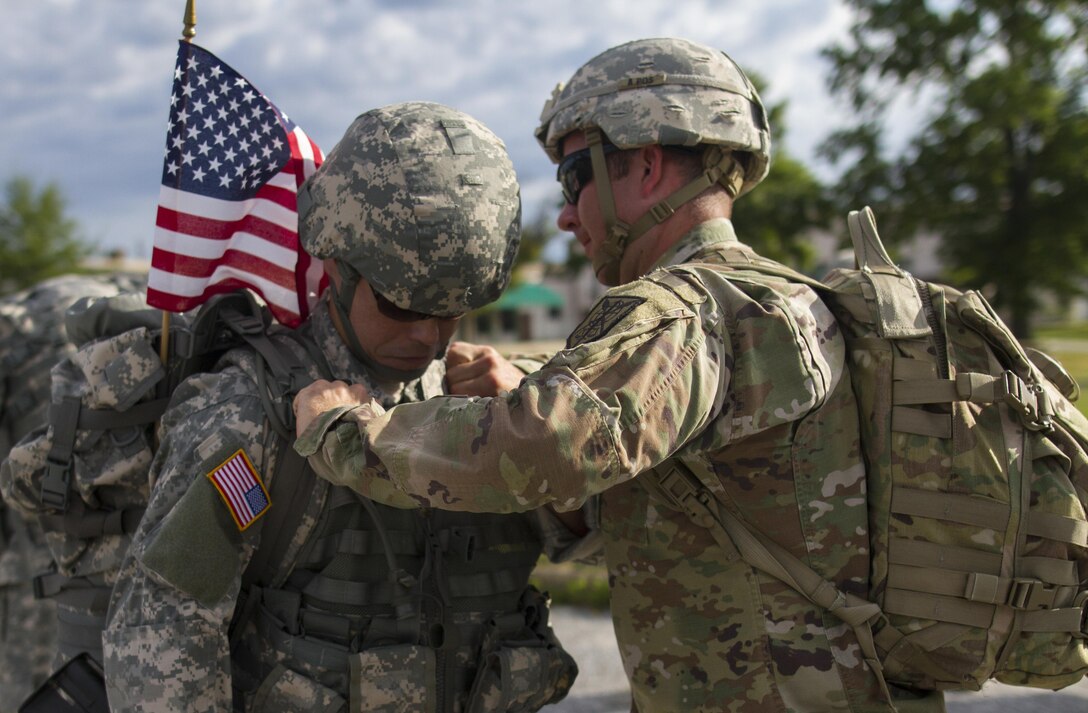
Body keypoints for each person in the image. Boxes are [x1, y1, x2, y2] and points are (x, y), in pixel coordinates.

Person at [292, 39, 946, 712]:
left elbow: (553, 445)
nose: (569, 212)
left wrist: (349, 433)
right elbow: (677, 505)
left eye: (576, 176)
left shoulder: (680, 312)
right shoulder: (790, 298)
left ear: (649, 166)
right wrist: (526, 390)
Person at [103, 102, 580, 712]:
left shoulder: (493, 398)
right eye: (404, 307)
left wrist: (535, 430)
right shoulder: (253, 413)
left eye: (455, 309)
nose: (431, 337)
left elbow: (579, 541)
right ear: (336, 265)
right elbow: (163, 626)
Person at [0, 273, 145, 711]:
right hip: (116, 566)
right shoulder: (109, 303)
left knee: (30, 680)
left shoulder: (18, 328)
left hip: (33, 562)